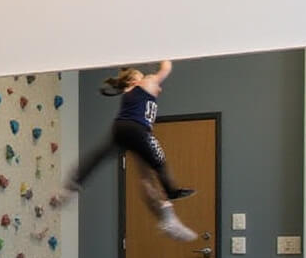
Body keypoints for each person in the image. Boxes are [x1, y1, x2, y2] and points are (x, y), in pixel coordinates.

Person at [52, 61, 198, 242]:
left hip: (120, 129)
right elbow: (166, 69)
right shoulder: (146, 83)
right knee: (158, 164)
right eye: (141, 76)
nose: (146, 77)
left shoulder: (132, 92)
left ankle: (70, 189)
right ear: (133, 82)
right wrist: (164, 55)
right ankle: (169, 207)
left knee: (118, 164)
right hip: (138, 130)